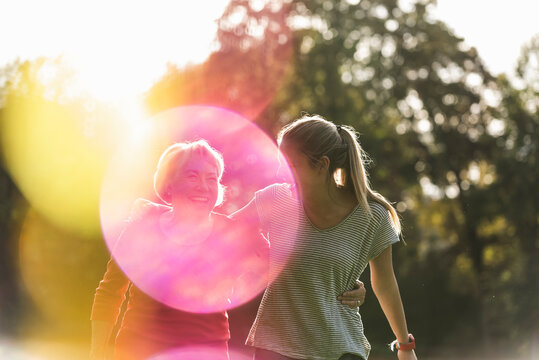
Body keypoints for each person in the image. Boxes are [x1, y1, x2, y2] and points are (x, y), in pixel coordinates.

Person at [90, 139, 366, 360]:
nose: (204, 186)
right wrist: (97, 353)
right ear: (169, 183)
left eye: (212, 179)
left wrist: (347, 284)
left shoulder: (234, 235)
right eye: (192, 176)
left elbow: (292, 270)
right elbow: (109, 293)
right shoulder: (141, 228)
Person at [231, 115, 418, 360]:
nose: (281, 173)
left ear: (321, 165)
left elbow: (385, 284)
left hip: (340, 349)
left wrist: (405, 346)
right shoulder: (274, 199)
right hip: (276, 348)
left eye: (291, 165)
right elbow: (220, 231)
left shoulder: (371, 216)